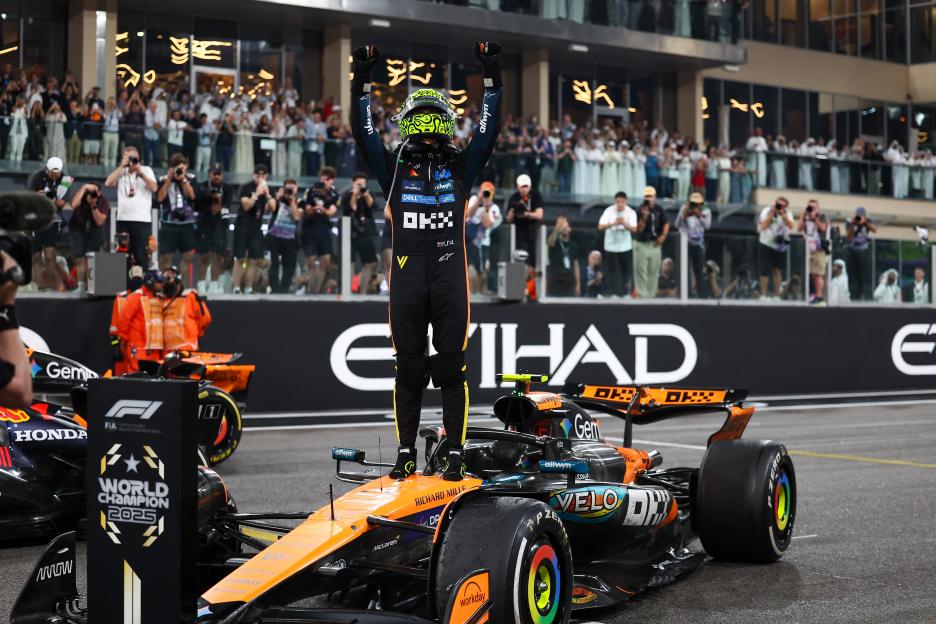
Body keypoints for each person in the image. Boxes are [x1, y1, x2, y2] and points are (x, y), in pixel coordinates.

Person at [350, 41, 502, 481]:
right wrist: (361, 78)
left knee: (449, 369)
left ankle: (453, 452)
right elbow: (364, 133)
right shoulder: (398, 165)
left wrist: (492, 71)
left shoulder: (456, 165)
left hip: (438, 275)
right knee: (413, 369)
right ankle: (406, 452)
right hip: (420, 276)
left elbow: (488, 131)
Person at [105, 146, 157, 268]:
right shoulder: (121, 171)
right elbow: (108, 183)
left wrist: (141, 174)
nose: (132, 160)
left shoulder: (146, 170)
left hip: (142, 220)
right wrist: (122, 166)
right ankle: (123, 285)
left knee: (141, 255)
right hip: (123, 220)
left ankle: (140, 284)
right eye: (129, 157)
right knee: (123, 254)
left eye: (134, 157)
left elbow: (154, 188)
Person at [27, 157, 72, 290]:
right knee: (35, 256)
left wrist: (48, 200)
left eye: (57, 174)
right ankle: (39, 286)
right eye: (52, 173)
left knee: (50, 256)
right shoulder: (37, 177)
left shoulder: (64, 180)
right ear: (47, 169)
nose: (55, 176)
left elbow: (62, 203)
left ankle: (51, 286)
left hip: (53, 221)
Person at [156, 153, 198, 284]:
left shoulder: (191, 178)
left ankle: (182, 285)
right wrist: (169, 180)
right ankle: (165, 284)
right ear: (171, 168)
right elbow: (159, 198)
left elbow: (192, 196)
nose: (179, 171)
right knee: (166, 256)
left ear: (186, 167)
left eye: (182, 167)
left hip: (187, 223)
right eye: (177, 168)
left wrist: (183, 179)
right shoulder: (163, 179)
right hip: (169, 223)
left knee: (188, 256)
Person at [234, 164, 275, 294]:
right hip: (243, 225)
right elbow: (246, 206)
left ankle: (248, 287)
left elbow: (273, 208)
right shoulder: (247, 187)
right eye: (258, 176)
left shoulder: (269, 189)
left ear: (266, 176)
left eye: (263, 176)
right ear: (254, 176)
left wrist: (267, 194)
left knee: (254, 259)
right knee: (240, 258)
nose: (261, 178)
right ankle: (236, 287)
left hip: (256, 227)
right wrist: (256, 193)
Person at [300, 166, 340, 294]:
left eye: (327, 179)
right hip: (309, 228)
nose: (324, 181)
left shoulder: (334, 194)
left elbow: (331, 212)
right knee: (311, 261)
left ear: (332, 180)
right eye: (322, 178)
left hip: (324, 229)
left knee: (325, 261)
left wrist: (323, 209)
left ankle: (316, 290)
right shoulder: (310, 191)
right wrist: (313, 208)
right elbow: (305, 208)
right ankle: (309, 290)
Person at [194, 164, 230, 294]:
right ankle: (201, 285)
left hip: (220, 226)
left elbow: (226, 205)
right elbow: (197, 205)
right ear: (209, 173)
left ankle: (215, 284)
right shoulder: (202, 186)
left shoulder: (227, 188)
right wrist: (211, 207)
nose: (216, 176)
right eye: (214, 173)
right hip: (204, 225)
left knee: (218, 256)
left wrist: (219, 204)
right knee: (204, 256)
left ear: (222, 175)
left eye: (219, 173)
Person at [342, 172, 379, 294]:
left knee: (369, 263)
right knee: (350, 262)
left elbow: (374, 207)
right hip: (350, 233)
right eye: (359, 184)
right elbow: (352, 208)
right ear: (353, 183)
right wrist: (355, 194)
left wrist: (366, 194)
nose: (361, 186)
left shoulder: (368, 194)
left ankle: (362, 292)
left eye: (363, 184)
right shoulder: (347, 195)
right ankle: (348, 291)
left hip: (366, 233)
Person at [68, 182, 109, 292]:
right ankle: (81, 285)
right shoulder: (81, 195)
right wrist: (83, 188)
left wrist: (93, 205)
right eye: (89, 191)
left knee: (91, 259)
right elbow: (73, 205)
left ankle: (91, 285)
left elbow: (100, 221)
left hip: (94, 231)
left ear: (99, 193)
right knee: (80, 258)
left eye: (95, 192)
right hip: (78, 229)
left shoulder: (103, 201)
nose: (92, 194)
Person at [597, 191, 637, 297]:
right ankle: (609, 293)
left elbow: (634, 229)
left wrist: (624, 224)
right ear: (615, 201)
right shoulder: (609, 211)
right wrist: (613, 223)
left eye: (622, 202)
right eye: (618, 202)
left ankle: (624, 293)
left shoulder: (631, 212)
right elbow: (600, 226)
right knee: (610, 272)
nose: (619, 204)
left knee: (625, 271)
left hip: (625, 246)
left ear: (625, 202)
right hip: (610, 246)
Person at [465, 181, 502, 295]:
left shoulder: (494, 208)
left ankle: (481, 292)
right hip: (469, 240)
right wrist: (478, 201)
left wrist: (486, 207)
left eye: (488, 193)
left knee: (482, 269)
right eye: (484, 192)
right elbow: (468, 215)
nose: (486, 195)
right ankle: (471, 294)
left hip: (484, 243)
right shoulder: (474, 200)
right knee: (470, 269)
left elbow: (487, 224)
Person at [266, 178, 302, 294]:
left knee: (289, 265)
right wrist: (277, 197)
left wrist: (291, 202)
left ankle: (284, 289)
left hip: (290, 238)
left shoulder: (300, 201)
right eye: (288, 188)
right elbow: (267, 209)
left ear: (297, 189)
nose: (291, 190)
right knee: (274, 264)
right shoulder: (278, 200)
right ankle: (275, 289)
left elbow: (297, 217)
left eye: (293, 188)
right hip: (274, 236)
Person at [633, 186, 669, 298]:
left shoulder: (659, 209)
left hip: (655, 244)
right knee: (641, 271)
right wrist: (644, 217)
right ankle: (642, 296)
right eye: (646, 196)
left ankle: (650, 296)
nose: (648, 198)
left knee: (653, 272)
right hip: (642, 243)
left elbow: (666, 223)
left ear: (654, 197)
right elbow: (638, 229)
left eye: (650, 196)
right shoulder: (639, 210)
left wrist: (663, 236)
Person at [109, 266, 145, 375]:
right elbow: (114, 326)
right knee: (122, 376)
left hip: (141, 345)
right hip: (123, 345)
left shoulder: (148, 296)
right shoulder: (121, 298)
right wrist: (115, 345)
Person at [675, 191, 712, 297]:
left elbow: (707, 226)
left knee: (699, 270)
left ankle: (702, 294)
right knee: (684, 269)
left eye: (698, 204)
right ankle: (686, 294)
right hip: (685, 244)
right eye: (693, 204)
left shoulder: (706, 211)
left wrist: (699, 216)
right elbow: (677, 224)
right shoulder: (684, 209)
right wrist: (684, 215)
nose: (695, 206)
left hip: (698, 244)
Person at [757, 197, 794, 298]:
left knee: (777, 270)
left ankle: (776, 295)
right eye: (778, 204)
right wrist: (772, 215)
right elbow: (762, 227)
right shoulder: (767, 211)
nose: (779, 207)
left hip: (780, 245)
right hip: (766, 243)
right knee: (765, 270)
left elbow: (791, 226)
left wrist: (783, 216)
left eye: (782, 206)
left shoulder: (788, 213)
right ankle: (763, 295)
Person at [505, 173, 544, 268]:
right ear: (517, 187)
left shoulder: (535, 195)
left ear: (530, 186)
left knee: (534, 261)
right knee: (520, 261)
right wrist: (513, 211)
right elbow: (508, 219)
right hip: (519, 234)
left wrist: (526, 214)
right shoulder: (514, 198)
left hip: (533, 233)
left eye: (526, 187)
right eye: (521, 187)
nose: (524, 189)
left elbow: (539, 214)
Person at [797, 199, 829, 303]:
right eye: (810, 207)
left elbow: (823, 228)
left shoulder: (822, 216)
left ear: (818, 208)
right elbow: (799, 228)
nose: (812, 209)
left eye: (814, 207)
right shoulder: (806, 217)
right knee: (811, 275)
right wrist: (804, 216)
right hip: (808, 250)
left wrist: (814, 217)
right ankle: (812, 295)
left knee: (818, 274)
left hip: (819, 249)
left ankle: (820, 297)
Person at [846, 207, 876, 301]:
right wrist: (853, 224)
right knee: (853, 275)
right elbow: (849, 236)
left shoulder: (868, 221)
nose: (859, 217)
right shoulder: (851, 221)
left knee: (864, 275)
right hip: (853, 250)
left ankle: (865, 295)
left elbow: (875, 230)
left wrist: (865, 223)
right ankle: (854, 296)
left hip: (864, 250)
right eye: (858, 215)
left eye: (861, 215)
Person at [546, 214, 580, 297]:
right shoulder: (555, 242)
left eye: (566, 226)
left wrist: (578, 284)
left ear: (570, 229)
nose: (564, 228)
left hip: (569, 279)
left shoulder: (573, 245)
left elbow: (576, 265)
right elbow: (550, 243)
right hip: (555, 278)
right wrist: (557, 228)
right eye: (562, 226)